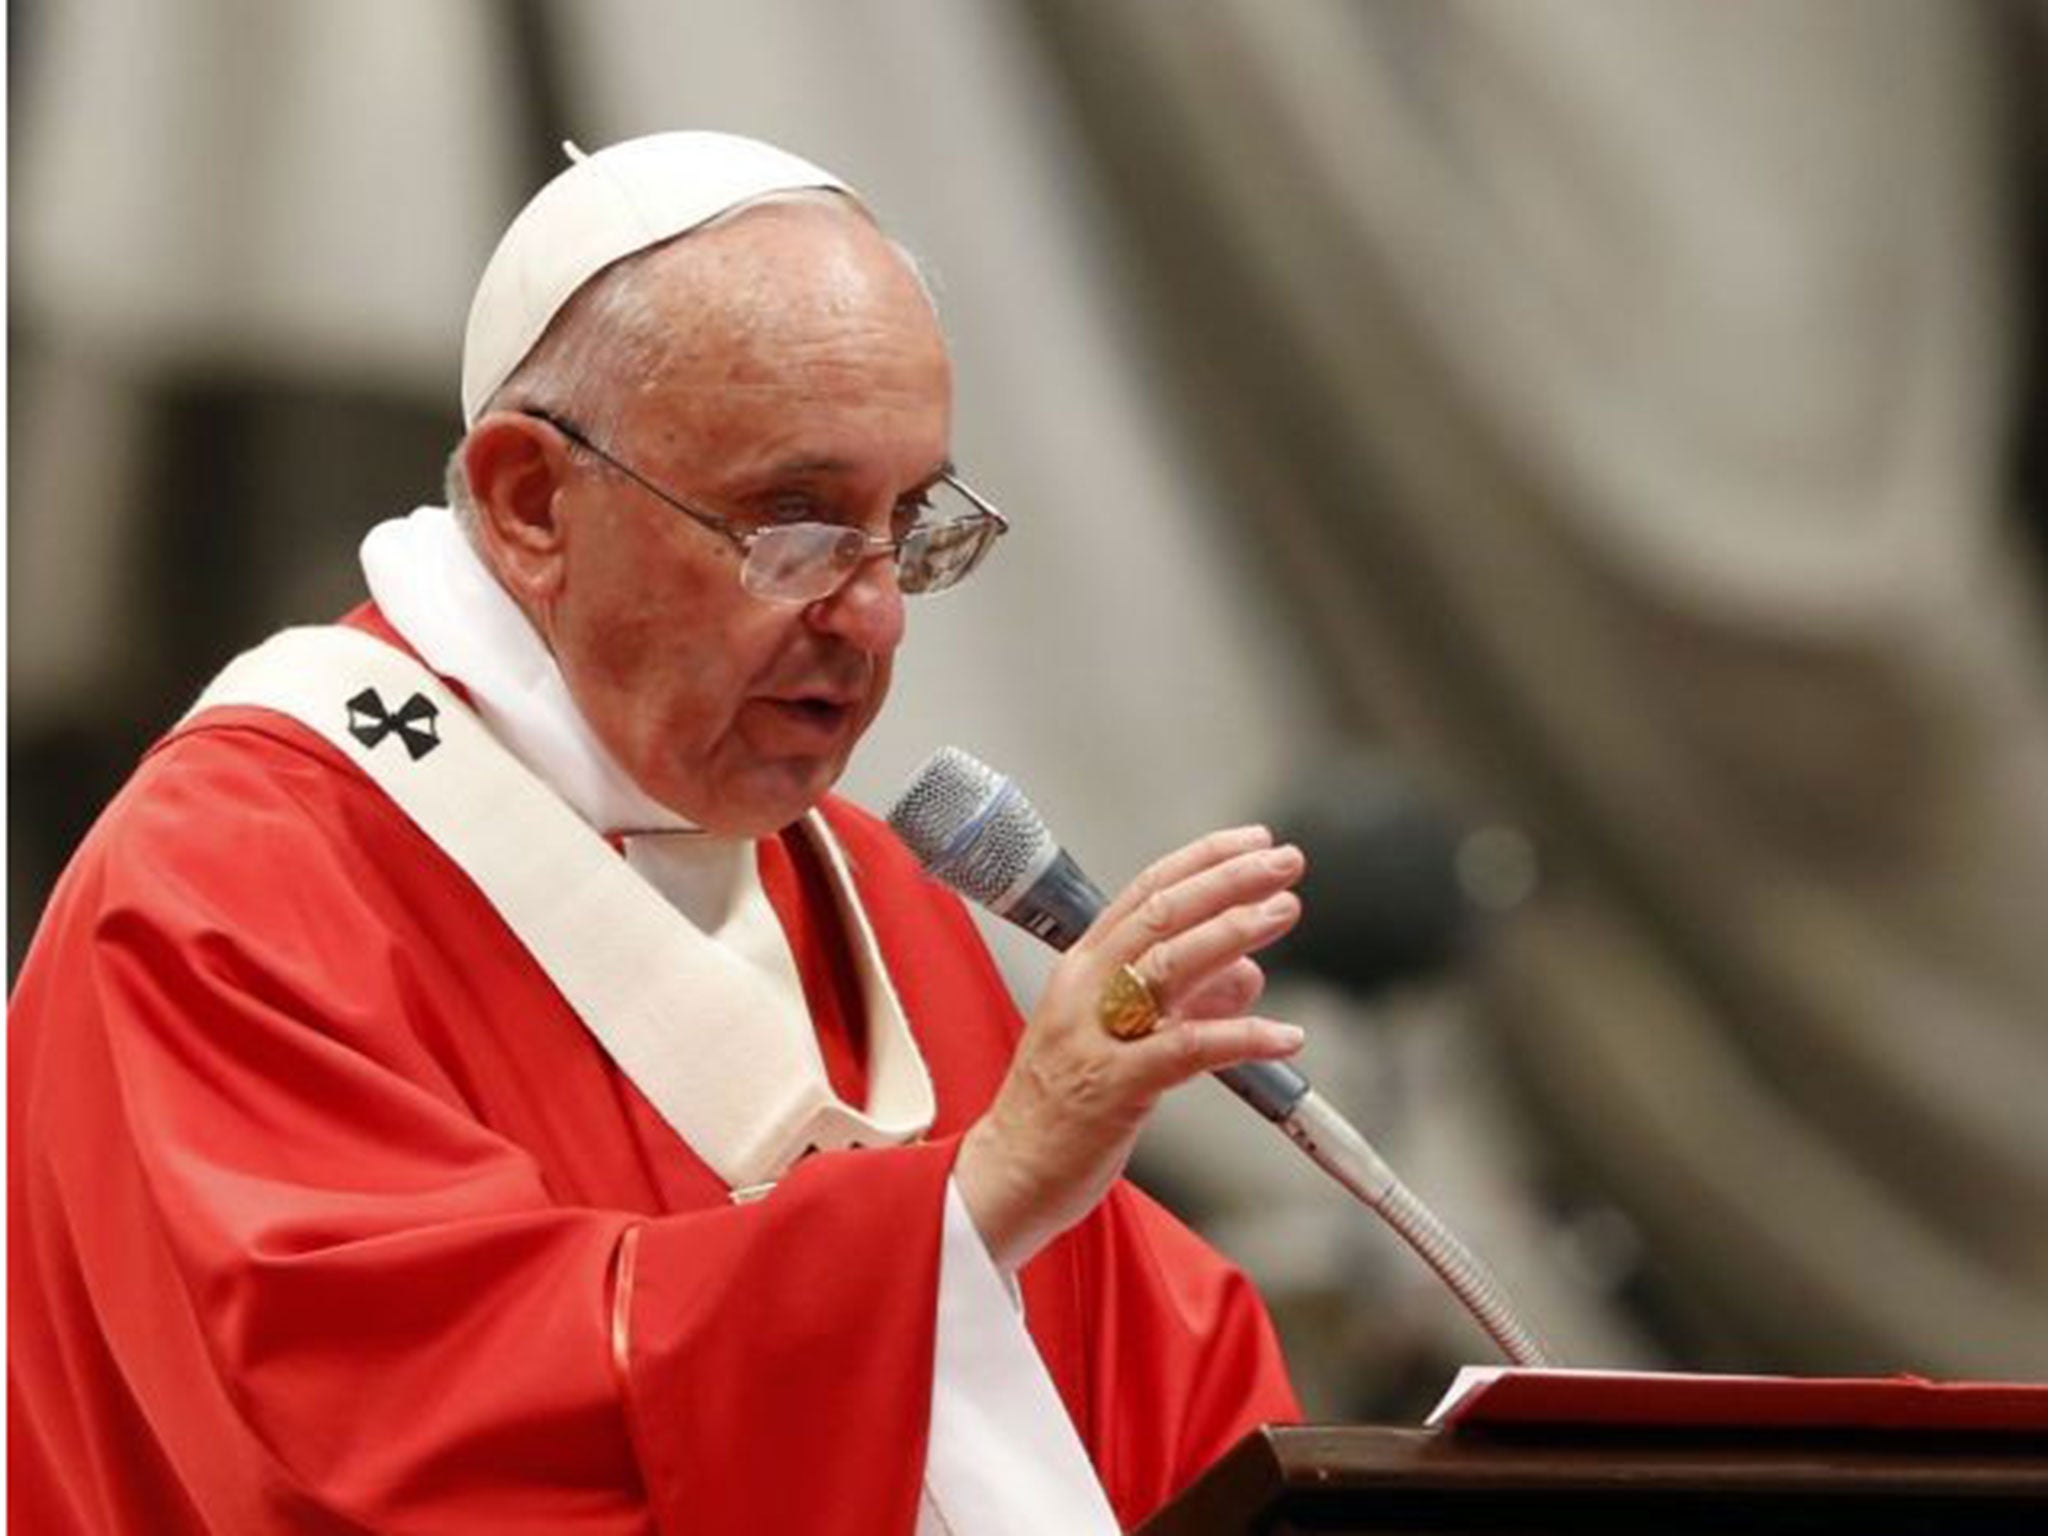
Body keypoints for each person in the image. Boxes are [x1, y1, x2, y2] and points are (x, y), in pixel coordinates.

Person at [9, 131, 1308, 1534]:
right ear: (528, 504)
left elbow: (1160, 1398)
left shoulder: (869, 897)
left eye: (909, 522)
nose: (874, 614)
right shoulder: (234, 883)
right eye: (795, 524)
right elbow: (372, 1436)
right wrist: (963, 1208)